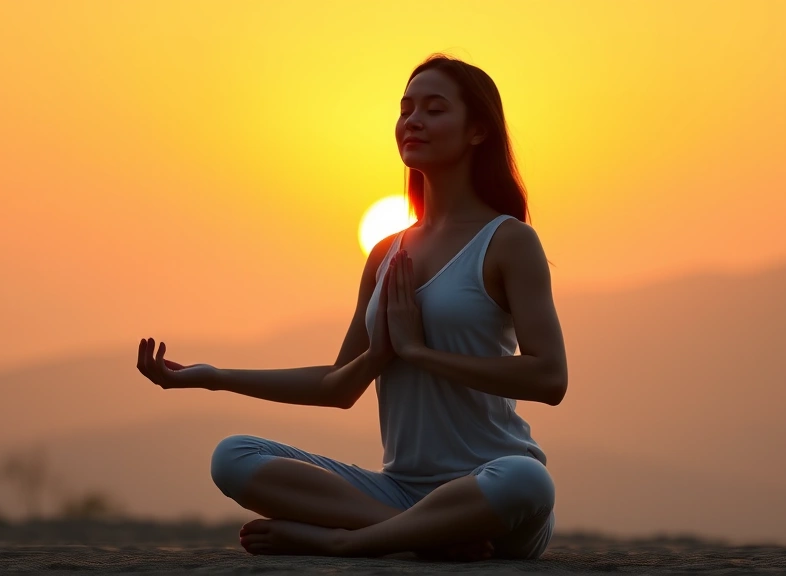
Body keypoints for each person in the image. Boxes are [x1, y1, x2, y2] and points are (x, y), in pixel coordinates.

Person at [136, 53, 567, 561]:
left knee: (527, 479)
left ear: (477, 131)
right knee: (233, 456)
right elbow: (338, 385)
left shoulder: (508, 241)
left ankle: (350, 542)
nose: (413, 121)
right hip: (399, 491)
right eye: (406, 109)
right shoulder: (386, 253)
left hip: (489, 490)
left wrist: (418, 352)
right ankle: (424, 536)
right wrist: (213, 376)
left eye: (434, 109)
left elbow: (549, 379)